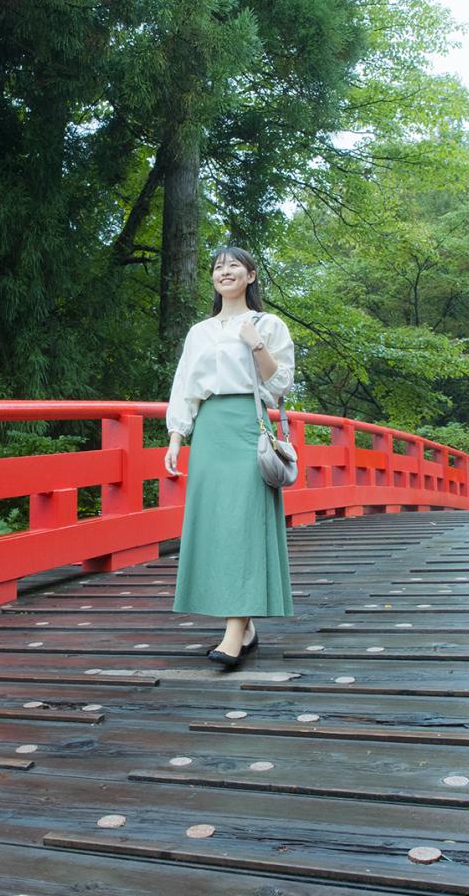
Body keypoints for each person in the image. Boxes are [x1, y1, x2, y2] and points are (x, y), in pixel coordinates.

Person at [163, 244, 296, 669]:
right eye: (218, 267)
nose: (225, 272)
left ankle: (234, 631)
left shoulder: (268, 324)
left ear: (251, 276)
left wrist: (255, 343)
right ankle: (245, 625)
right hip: (210, 431)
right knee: (217, 527)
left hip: (247, 425)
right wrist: (176, 437)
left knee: (243, 525)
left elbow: (281, 385)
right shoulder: (199, 332)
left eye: (234, 266)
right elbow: (185, 386)